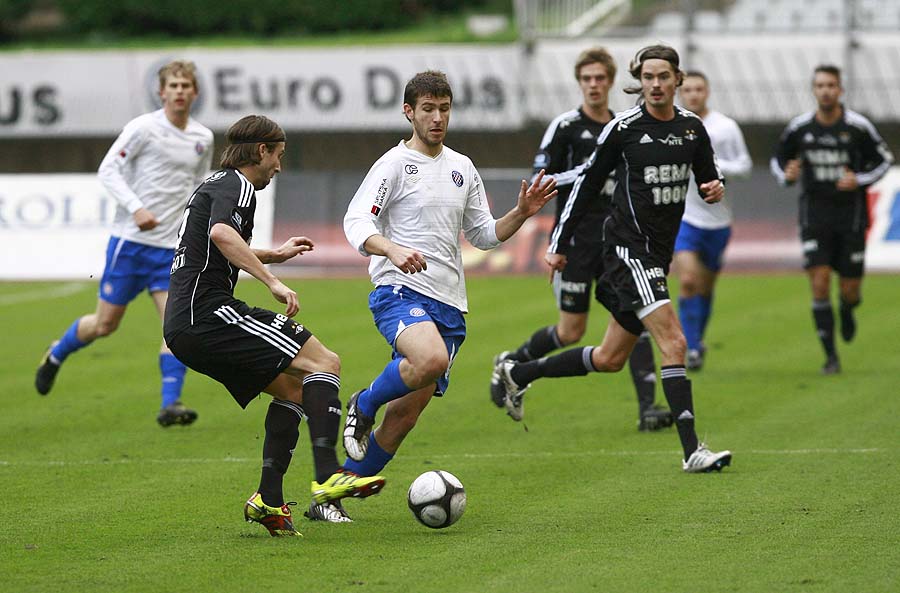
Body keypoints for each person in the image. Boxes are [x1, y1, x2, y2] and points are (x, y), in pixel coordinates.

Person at [494, 45, 733, 473]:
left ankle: (519, 373)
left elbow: (708, 179)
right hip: (626, 251)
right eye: (648, 77)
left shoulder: (693, 130)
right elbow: (585, 188)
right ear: (638, 82)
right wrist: (559, 244)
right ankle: (692, 450)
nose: (656, 85)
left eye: (664, 77)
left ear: (678, 80)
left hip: (657, 255)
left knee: (609, 358)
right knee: (674, 342)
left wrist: (715, 187)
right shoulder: (623, 129)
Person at [163, 115, 385, 535]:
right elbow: (223, 237)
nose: (279, 166)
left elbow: (219, 244)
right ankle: (327, 476)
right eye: (278, 156)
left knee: (295, 390)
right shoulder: (239, 186)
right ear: (261, 151)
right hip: (207, 314)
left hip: (185, 325)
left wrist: (274, 255)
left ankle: (268, 499)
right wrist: (273, 282)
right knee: (325, 361)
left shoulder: (215, 183)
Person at [341, 71, 557, 480]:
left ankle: (339, 489)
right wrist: (392, 249)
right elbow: (356, 221)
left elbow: (484, 234)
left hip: (450, 304)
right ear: (409, 112)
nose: (437, 117)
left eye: (444, 109)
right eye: (428, 109)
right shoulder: (394, 165)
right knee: (431, 359)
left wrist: (522, 214)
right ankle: (364, 404)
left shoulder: (462, 166)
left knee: (405, 414)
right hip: (400, 290)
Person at [490, 47, 671, 432]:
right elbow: (542, 181)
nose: (593, 85)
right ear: (580, 83)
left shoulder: (623, 126)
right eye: (587, 79)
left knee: (633, 314)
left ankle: (648, 408)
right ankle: (512, 364)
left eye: (600, 78)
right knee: (571, 331)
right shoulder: (565, 127)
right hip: (574, 241)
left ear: (610, 82)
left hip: (617, 241)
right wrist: (589, 171)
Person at [34, 60, 213, 427]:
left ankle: (170, 404)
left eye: (185, 86)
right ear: (162, 92)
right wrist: (136, 208)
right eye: (173, 86)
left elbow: (198, 186)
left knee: (176, 328)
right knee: (104, 325)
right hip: (131, 244)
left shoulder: (202, 138)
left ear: (195, 93)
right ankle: (56, 353)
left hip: (170, 249)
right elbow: (108, 170)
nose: (179, 91)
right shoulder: (143, 128)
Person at [771, 65, 893, 375]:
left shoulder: (857, 126)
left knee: (850, 289)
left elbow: (884, 160)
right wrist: (787, 176)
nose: (825, 90)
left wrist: (860, 179)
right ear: (814, 90)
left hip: (850, 216)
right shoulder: (800, 127)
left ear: (840, 90)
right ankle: (830, 356)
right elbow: (779, 158)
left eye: (831, 85)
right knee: (820, 282)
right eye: (820, 85)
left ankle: (848, 308)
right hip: (814, 214)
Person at [674, 71, 752, 370]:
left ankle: (697, 339)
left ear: (707, 92)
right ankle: (690, 347)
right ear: (681, 93)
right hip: (684, 217)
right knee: (689, 281)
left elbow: (744, 166)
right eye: (688, 90)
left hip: (718, 220)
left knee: (705, 287)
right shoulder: (673, 126)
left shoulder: (725, 128)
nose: (693, 94)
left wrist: (714, 167)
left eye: (698, 89)